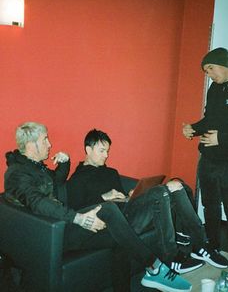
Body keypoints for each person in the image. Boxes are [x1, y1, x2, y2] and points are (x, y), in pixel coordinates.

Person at [4, 122, 192, 292]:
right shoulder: (16, 173)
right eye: (44, 140)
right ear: (30, 145)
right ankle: (154, 267)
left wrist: (65, 162)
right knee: (108, 209)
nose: (49, 144)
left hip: (63, 223)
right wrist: (78, 218)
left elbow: (58, 183)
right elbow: (38, 202)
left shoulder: (36, 168)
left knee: (121, 235)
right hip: (53, 233)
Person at [67, 128, 228, 272]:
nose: (106, 155)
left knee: (177, 186)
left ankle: (201, 245)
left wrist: (130, 195)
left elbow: (123, 199)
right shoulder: (77, 179)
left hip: (128, 213)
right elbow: (77, 209)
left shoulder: (111, 173)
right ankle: (172, 258)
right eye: (102, 151)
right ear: (88, 150)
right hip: (111, 225)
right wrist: (104, 197)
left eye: (107, 151)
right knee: (160, 192)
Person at [183, 47, 228, 255]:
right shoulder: (214, 88)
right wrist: (193, 129)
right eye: (206, 72)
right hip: (208, 160)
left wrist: (221, 138)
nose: (210, 75)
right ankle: (212, 249)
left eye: (211, 69)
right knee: (210, 207)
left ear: (224, 63)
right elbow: (209, 119)